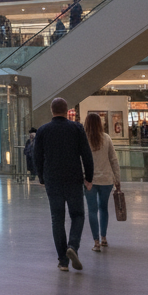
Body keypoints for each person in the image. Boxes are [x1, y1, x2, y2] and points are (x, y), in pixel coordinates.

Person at [32, 98, 94, 271]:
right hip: (73, 178)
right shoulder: (76, 128)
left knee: (57, 218)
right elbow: (86, 154)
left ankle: (63, 261)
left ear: (51, 110)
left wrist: (41, 177)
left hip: (53, 179)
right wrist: (89, 177)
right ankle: (72, 246)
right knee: (78, 215)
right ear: (67, 111)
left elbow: (37, 156)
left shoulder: (43, 130)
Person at [83, 113, 121, 251]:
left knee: (92, 210)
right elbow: (113, 159)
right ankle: (104, 237)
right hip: (106, 179)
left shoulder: (84, 139)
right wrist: (117, 179)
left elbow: (80, 160)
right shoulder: (106, 138)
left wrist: (82, 177)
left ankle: (96, 242)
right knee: (103, 208)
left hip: (89, 180)